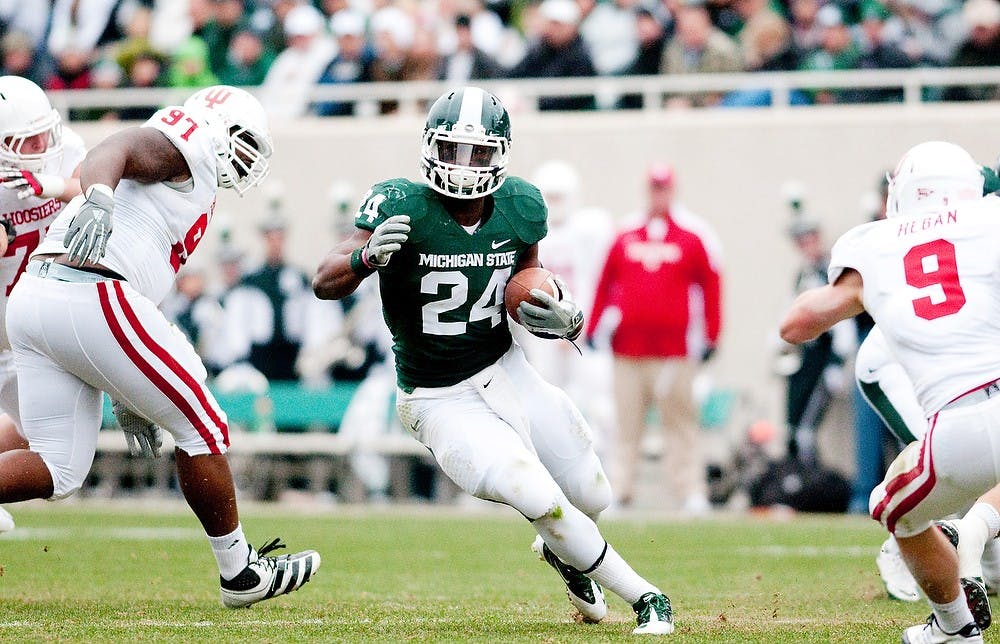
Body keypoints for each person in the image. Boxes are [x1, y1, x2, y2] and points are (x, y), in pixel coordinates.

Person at [312, 85, 674, 636]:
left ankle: (565, 557)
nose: (462, 165)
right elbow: (324, 279)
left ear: (500, 153)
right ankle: (647, 596)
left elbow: (528, 279)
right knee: (537, 496)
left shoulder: (522, 205)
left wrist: (558, 310)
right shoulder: (398, 203)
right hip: (438, 396)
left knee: (591, 493)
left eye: (477, 152)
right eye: (452, 149)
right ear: (430, 146)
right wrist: (365, 258)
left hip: (507, 371)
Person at [0, 84, 321, 608]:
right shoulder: (186, 141)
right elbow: (118, 148)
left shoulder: (190, 182)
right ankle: (240, 574)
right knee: (204, 426)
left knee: (59, 468)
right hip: (90, 291)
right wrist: (99, 196)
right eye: (242, 142)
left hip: (39, 297)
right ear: (218, 132)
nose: (247, 159)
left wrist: (128, 391)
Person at [780, 140, 1000, 642]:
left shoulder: (875, 242)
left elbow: (795, 326)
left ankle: (955, 627)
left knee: (891, 507)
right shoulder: (992, 217)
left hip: (958, 427)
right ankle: (974, 549)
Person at [586, 162, 722, 513]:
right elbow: (605, 283)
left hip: (675, 350)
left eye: (664, 188)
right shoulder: (626, 233)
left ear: (672, 190)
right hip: (628, 348)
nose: (659, 194)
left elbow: (710, 285)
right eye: (654, 188)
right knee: (626, 423)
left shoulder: (692, 235)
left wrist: (711, 334)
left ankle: (689, 490)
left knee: (680, 421)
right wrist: (592, 327)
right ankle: (620, 489)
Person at [0, 75, 87, 533]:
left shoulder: (65, 148)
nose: (39, 145)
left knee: (39, 431)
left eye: (42, 133)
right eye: (24, 140)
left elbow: (93, 186)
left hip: (29, 327)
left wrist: (49, 184)